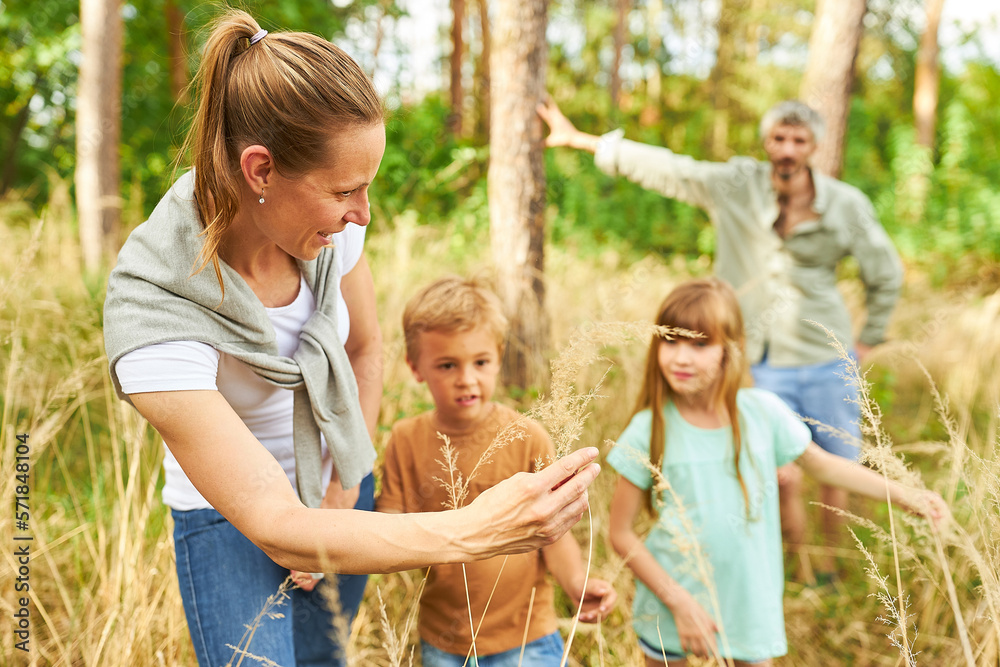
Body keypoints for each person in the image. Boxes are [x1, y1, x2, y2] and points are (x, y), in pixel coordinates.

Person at [102, 12, 601, 667]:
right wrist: (475, 528)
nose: (363, 213)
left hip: (339, 481)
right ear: (259, 171)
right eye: (345, 190)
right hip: (231, 517)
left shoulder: (330, 232)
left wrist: (349, 474)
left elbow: (364, 349)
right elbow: (278, 526)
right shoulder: (153, 309)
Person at [538, 98, 905, 578]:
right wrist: (586, 141)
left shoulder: (845, 204)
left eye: (798, 141)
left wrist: (868, 338)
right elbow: (673, 169)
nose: (788, 149)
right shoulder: (735, 184)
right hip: (753, 356)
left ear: (814, 145)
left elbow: (886, 272)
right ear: (766, 141)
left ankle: (832, 569)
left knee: (836, 462)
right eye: (779, 138)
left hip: (823, 353)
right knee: (780, 470)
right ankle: (799, 570)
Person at [606, 278, 947, 666]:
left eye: (700, 344)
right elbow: (620, 532)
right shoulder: (648, 428)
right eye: (671, 340)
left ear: (728, 350)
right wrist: (679, 603)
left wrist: (906, 495)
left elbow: (825, 465)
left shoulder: (762, 413)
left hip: (749, 606)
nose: (681, 358)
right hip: (671, 608)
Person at [376, 276, 617, 666]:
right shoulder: (406, 439)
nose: (466, 379)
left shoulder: (527, 438)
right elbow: (390, 525)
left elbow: (553, 533)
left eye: (481, 362)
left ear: (499, 358)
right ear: (415, 367)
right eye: (447, 365)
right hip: (445, 638)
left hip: (526, 637)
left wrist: (577, 584)